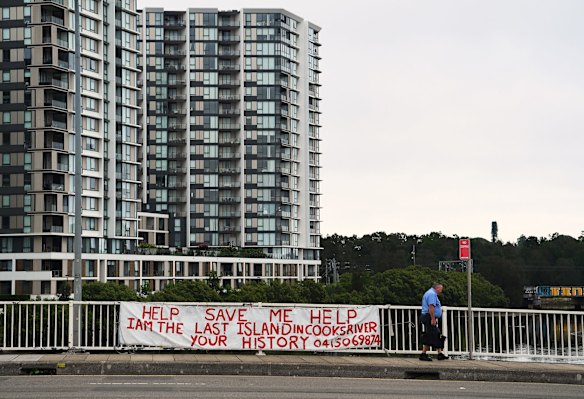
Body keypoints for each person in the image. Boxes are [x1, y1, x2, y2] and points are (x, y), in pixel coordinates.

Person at [419, 282, 448, 361]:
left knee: (436, 333)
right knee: (430, 335)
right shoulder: (432, 294)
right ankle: (423, 354)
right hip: (429, 317)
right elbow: (431, 307)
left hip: (428, 316)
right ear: (437, 288)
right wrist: (432, 318)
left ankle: (439, 353)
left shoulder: (430, 293)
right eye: (440, 289)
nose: (441, 291)